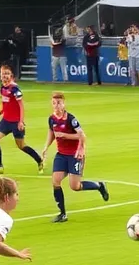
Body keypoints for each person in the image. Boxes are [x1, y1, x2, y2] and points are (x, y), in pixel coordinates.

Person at [42, 91, 109, 223]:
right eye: (54, 103)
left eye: (59, 103)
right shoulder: (52, 119)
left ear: (64, 103)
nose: (56, 106)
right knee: (55, 181)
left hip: (74, 155)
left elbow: (82, 136)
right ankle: (62, 214)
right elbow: (52, 133)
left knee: (75, 186)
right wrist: (46, 147)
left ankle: (99, 185)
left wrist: (79, 148)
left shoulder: (71, 119)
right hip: (61, 155)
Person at [0, 64, 44, 174]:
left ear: (11, 76)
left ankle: (39, 160)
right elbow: (4, 101)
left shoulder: (14, 88)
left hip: (15, 122)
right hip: (6, 121)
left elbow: (21, 105)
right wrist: (1, 111)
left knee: (21, 146)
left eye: (7, 74)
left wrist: (21, 121)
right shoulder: (2, 87)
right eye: (3, 74)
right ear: (0, 75)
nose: (5, 76)